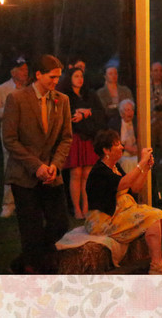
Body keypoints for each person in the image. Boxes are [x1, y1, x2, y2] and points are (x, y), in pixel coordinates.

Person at [85, 129, 162, 274]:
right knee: (151, 217)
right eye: (117, 144)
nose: (122, 147)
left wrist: (146, 168)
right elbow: (124, 183)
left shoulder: (116, 167)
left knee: (158, 214)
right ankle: (156, 264)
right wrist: (141, 162)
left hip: (119, 211)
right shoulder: (100, 171)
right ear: (106, 150)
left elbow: (135, 187)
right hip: (104, 219)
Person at [2, 54, 73, 274]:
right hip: (24, 176)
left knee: (60, 223)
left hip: (52, 174)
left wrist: (54, 165)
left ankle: (25, 261)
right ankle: (36, 270)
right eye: (52, 77)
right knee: (30, 228)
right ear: (39, 75)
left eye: (59, 77)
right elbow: (10, 139)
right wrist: (36, 166)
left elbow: (66, 137)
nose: (56, 81)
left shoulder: (62, 100)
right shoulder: (17, 99)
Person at [57, 66, 106, 219]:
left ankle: (86, 207)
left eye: (81, 76)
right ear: (70, 78)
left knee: (87, 174)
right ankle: (76, 209)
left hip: (89, 137)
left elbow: (100, 113)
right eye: (76, 76)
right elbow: (66, 115)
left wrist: (87, 113)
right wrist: (79, 113)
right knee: (76, 173)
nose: (80, 79)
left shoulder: (90, 95)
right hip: (75, 138)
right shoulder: (66, 96)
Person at [0, 55, 29, 218]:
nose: (25, 73)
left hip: (28, 134)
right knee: (10, 167)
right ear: (13, 72)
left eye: (26, 70)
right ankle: (8, 204)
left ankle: (25, 203)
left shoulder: (30, 88)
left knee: (27, 168)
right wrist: (8, 108)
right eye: (22, 70)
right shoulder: (1, 90)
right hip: (10, 135)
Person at [114, 99, 139, 173]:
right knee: (126, 162)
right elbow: (113, 142)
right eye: (127, 110)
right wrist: (126, 147)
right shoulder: (114, 124)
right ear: (121, 113)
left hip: (136, 152)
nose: (130, 113)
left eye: (131, 110)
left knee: (139, 160)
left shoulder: (137, 122)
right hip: (121, 153)